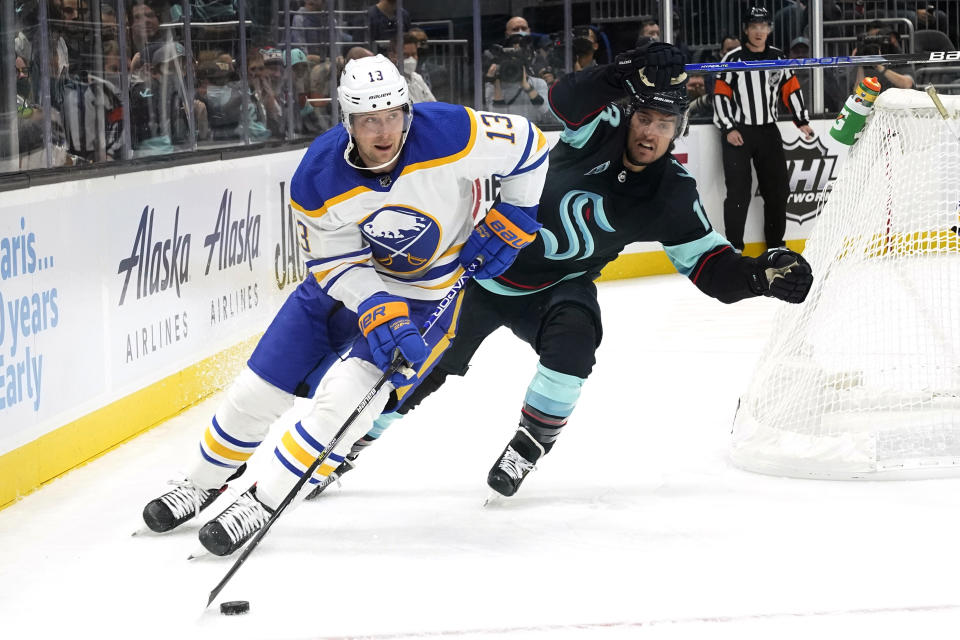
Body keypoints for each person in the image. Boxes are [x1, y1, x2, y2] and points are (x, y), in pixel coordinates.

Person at [310, 42, 814, 501]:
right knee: (421, 370)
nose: (650, 132)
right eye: (645, 118)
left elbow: (710, 267)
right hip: (483, 272)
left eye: (664, 124)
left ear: (679, 129)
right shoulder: (600, 129)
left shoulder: (673, 193)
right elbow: (564, 98)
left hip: (558, 286)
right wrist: (625, 68)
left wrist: (758, 276)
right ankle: (345, 449)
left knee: (576, 340)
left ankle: (529, 442)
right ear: (630, 114)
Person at [140, 54, 550, 556]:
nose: (384, 132)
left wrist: (517, 210)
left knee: (345, 403)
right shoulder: (318, 174)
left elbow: (529, 144)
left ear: (407, 110)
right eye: (369, 120)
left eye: (393, 116)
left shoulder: (450, 133)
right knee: (256, 391)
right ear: (347, 121)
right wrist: (374, 301)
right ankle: (203, 481)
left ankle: (263, 500)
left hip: (427, 296)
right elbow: (333, 261)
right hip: (340, 286)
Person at [712, 6, 814, 253]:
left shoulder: (779, 58)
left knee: (778, 191)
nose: (759, 31)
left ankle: (776, 246)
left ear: (769, 29)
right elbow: (721, 95)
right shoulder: (733, 58)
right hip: (739, 133)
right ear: (746, 30)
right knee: (738, 193)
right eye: (754, 26)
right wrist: (728, 128)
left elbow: (791, 88)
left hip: (768, 130)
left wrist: (801, 120)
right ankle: (734, 248)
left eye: (763, 26)